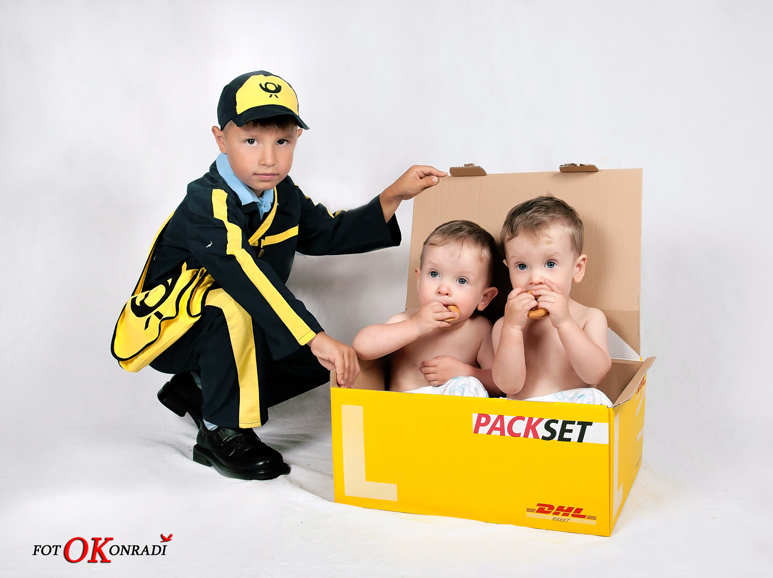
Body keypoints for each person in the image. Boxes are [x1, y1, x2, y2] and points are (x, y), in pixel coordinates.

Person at [110, 70, 447, 480]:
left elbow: (327, 231)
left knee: (318, 361)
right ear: (221, 139)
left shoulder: (282, 194)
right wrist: (314, 334)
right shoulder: (206, 200)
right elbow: (240, 273)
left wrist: (394, 195)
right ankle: (221, 430)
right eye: (251, 141)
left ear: (296, 139)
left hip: (237, 320)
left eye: (282, 142)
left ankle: (198, 389)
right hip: (171, 328)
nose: (268, 158)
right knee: (233, 303)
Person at [353, 220, 500, 396]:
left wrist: (466, 371)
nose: (443, 289)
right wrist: (415, 326)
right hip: (408, 408)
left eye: (462, 280)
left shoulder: (480, 330)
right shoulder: (406, 320)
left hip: (456, 410)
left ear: (484, 298)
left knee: (468, 384)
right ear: (419, 280)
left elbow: (500, 383)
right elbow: (362, 347)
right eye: (434, 274)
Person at [492, 196, 613, 405]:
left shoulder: (589, 317)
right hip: (523, 418)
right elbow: (508, 386)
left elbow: (595, 374)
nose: (535, 278)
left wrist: (565, 322)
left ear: (577, 268)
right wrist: (512, 329)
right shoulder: (504, 325)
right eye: (521, 266)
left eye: (550, 264)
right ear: (508, 268)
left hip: (571, 416)